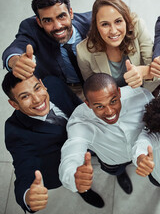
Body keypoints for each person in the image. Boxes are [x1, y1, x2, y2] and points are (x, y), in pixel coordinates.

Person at [1, 73, 104, 212]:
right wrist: (27, 197)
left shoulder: (54, 84)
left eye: (37, 88)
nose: (37, 99)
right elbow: (23, 170)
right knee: (78, 180)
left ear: (43, 85)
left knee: (108, 159)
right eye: (25, 96)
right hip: (62, 163)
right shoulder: (15, 131)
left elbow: (75, 102)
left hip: (90, 138)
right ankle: (84, 192)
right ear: (14, 104)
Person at [59, 73, 153, 201]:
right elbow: (72, 151)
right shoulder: (79, 121)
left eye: (113, 101)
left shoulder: (141, 95)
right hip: (112, 161)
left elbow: (154, 124)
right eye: (99, 106)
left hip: (139, 153)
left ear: (119, 92)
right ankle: (120, 175)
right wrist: (72, 175)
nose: (109, 111)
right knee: (117, 171)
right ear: (88, 104)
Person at [2, 0, 91, 100]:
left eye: (61, 16)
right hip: (65, 89)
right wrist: (15, 61)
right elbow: (16, 47)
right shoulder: (32, 29)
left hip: (96, 81)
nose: (57, 26)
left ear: (71, 13)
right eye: (48, 20)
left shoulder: (92, 21)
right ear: (39, 22)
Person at [76, 0, 160, 93]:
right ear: (96, 26)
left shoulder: (137, 27)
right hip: (111, 102)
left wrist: (143, 72)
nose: (113, 31)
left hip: (143, 94)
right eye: (105, 24)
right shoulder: (83, 51)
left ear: (126, 21)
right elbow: (92, 89)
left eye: (118, 21)